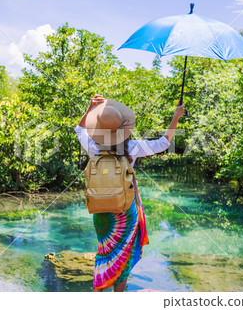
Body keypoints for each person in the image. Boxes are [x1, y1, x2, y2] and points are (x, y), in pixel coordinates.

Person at [75, 94, 184, 292]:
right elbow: (164, 142)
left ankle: (98, 291)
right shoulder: (132, 148)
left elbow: (79, 129)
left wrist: (90, 108)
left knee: (104, 251)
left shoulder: (92, 147)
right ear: (124, 129)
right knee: (123, 252)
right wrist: (176, 117)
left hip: (100, 208)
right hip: (125, 209)